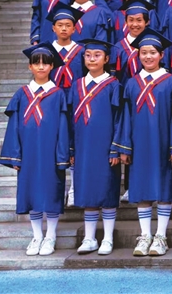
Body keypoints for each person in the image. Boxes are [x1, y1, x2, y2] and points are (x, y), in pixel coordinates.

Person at [113, 28, 172, 257]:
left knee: (162, 188)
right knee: (141, 188)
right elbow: (125, 117)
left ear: (161, 55)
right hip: (139, 144)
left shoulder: (171, 82)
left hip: (162, 143)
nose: (148, 56)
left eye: (153, 52)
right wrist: (124, 146)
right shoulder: (132, 84)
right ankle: (145, 235)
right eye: (143, 52)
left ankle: (160, 236)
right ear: (138, 55)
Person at [0, 43, 69, 257]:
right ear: (30, 66)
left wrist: (62, 154)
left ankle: (51, 235)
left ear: (52, 66)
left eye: (45, 63)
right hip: (28, 153)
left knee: (52, 191)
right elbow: (13, 126)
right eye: (36, 63)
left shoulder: (58, 94)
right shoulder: (22, 94)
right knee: (31, 193)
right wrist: (14, 154)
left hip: (50, 152)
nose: (40, 67)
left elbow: (63, 127)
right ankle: (37, 236)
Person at [69, 39, 122, 256]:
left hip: (106, 147)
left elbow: (119, 119)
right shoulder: (76, 86)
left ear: (106, 58)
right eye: (88, 55)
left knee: (107, 190)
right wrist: (71, 148)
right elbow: (70, 120)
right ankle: (89, 238)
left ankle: (108, 238)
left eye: (97, 55)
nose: (92, 59)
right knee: (88, 192)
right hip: (83, 147)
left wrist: (116, 147)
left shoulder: (113, 85)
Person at [47, 3, 85, 92]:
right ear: (54, 28)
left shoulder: (81, 51)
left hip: (76, 93)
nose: (64, 29)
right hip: (52, 94)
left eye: (68, 25)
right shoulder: (48, 51)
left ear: (73, 29)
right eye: (60, 25)